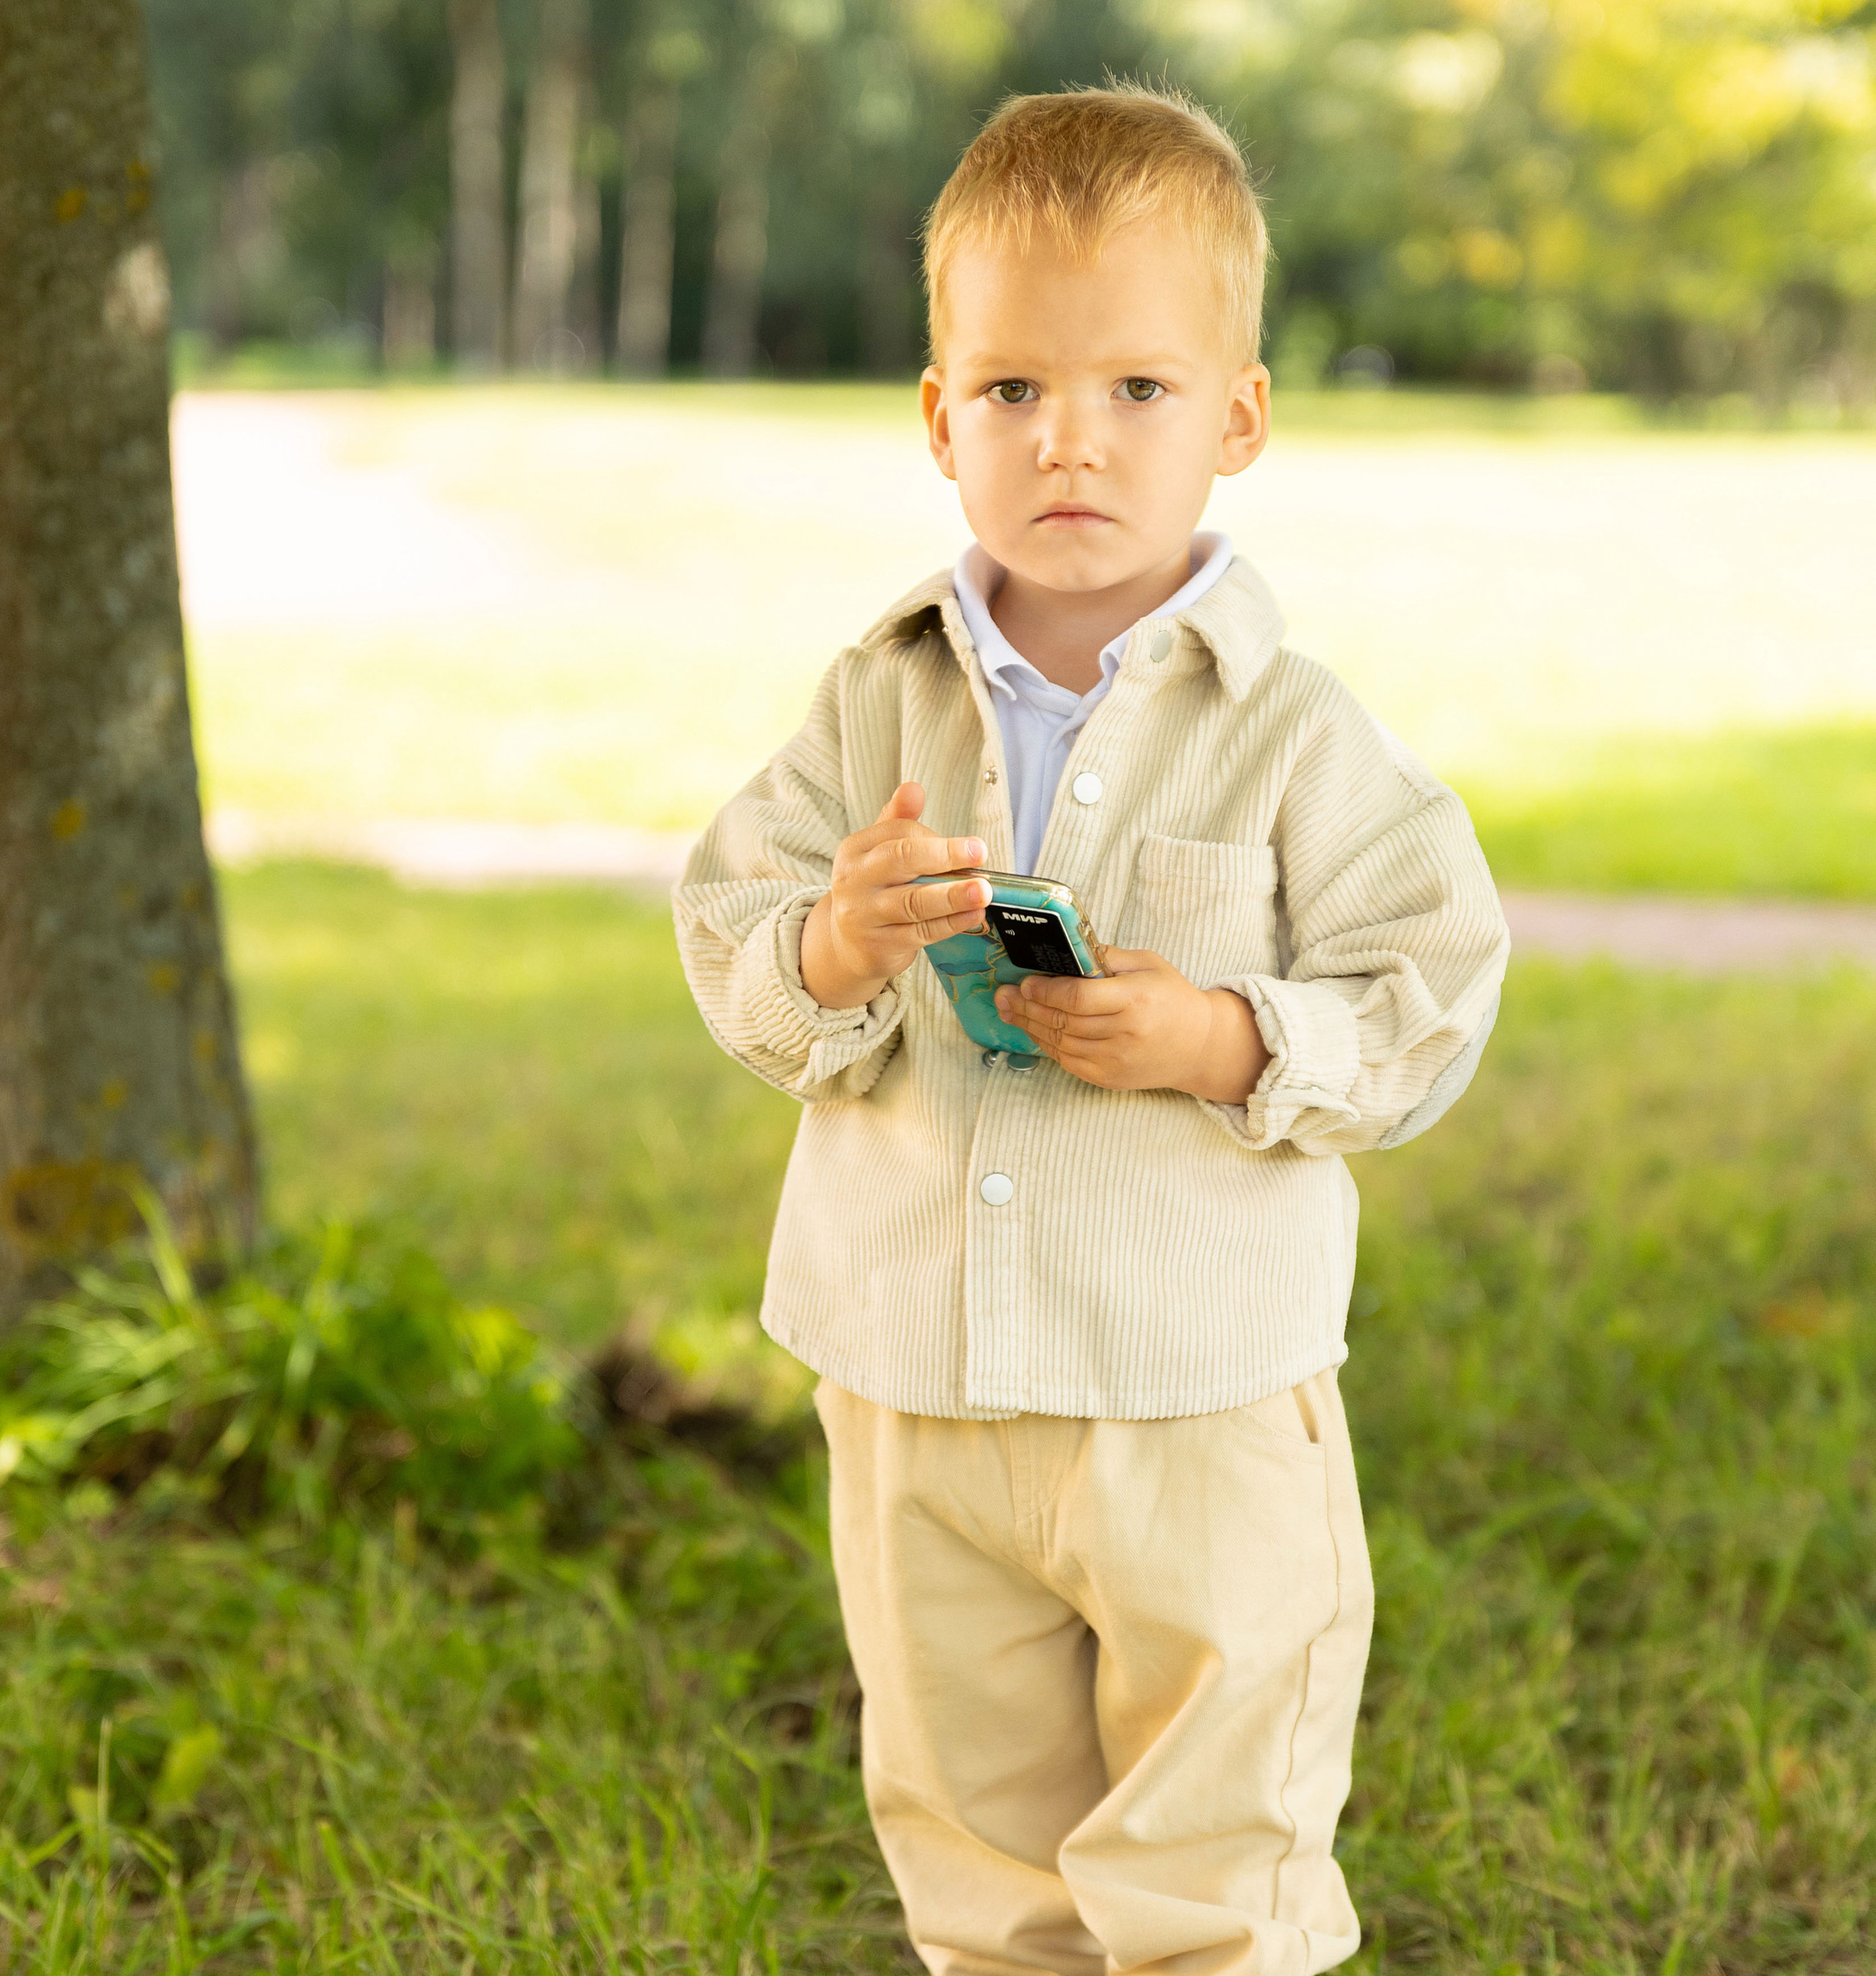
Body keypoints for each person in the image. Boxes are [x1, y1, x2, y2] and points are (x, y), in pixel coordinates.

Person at [673, 81, 1509, 1976]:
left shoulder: (1296, 730)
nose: (1070, 441)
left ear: (1237, 416)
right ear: (936, 413)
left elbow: (1431, 983)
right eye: (1013, 391)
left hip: (1194, 1392)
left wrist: (1222, 1036)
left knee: (1213, 1858)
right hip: (910, 1382)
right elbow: (726, 920)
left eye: (1137, 390)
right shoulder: (869, 701)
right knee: (975, 1848)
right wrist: (826, 939)